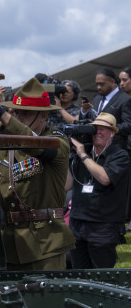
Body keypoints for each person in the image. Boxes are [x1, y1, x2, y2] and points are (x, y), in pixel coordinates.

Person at [0, 77, 75, 270]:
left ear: (43, 116)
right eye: (16, 112)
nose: (19, 117)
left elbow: (39, 147)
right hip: (13, 241)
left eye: (25, 113)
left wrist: (2, 113)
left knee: (46, 300)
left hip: (46, 242)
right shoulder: (9, 141)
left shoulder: (56, 139)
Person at [67, 113, 130, 268]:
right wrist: (67, 155)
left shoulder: (120, 155)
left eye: (104, 129)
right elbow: (66, 185)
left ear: (113, 133)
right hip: (77, 222)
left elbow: (105, 178)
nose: (98, 133)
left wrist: (82, 155)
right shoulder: (83, 153)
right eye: (95, 129)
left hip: (103, 226)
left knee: (101, 275)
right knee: (79, 273)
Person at [79, 68, 131, 151]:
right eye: (97, 84)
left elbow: (129, 125)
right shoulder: (97, 98)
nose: (98, 87)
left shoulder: (125, 99)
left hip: (115, 152)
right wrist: (84, 111)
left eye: (102, 84)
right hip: (94, 151)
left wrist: (109, 128)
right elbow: (88, 120)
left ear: (112, 82)